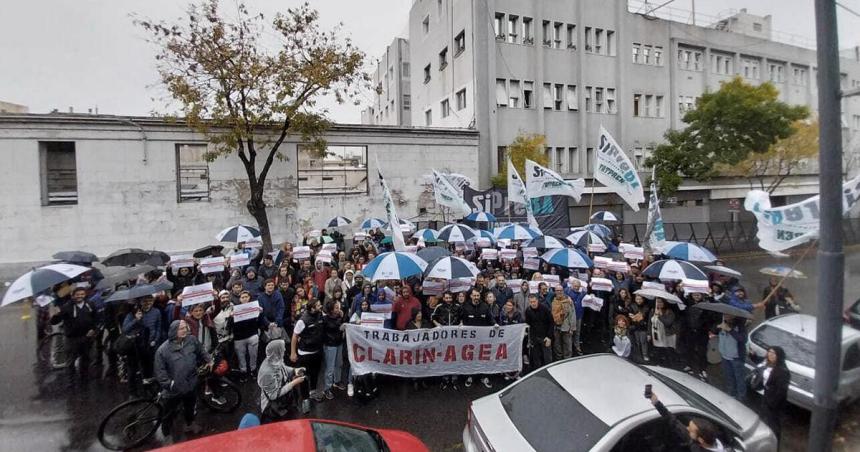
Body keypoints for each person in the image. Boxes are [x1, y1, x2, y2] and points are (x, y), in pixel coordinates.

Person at [154, 320, 212, 443]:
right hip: (174, 390)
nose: (184, 330)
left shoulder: (192, 340)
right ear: (173, 331)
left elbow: (201, 350)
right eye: (181, 328)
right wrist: (170, 384)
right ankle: (166, 433)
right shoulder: (162, 350)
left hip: (191, 384)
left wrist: (209, 359)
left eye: (185, 327)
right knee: (168, 413)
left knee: (190, 406)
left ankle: (190, 424)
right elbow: (160, 372)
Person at [49, 287, 100, 379]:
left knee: (86, 359)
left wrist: (94, 329)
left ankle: (84, 379)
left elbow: (96, 319)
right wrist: (55, 315)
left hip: (86, 338)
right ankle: (70, 382)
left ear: (85, 295)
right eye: (77, 294)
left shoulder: (90, 304)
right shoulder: (66, 307)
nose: (80, 296)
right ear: (73, 296)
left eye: (82, 294)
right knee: (70, 361)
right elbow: (54, 322)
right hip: (72, 339)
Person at [649, 391, 726, 451]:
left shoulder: (696, 448)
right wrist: (656, 402)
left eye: (691, 430)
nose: (687, 428)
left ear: (701, 440)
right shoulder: (712, 438)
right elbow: (674, 422)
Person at [257, 339, 305, 422]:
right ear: (277, 351)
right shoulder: (267, 373)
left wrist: (295, 370)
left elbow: (283, 368)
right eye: (283, 348)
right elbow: (274, 395)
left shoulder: (275, 359)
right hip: (274, 410)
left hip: (284, 402)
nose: (285, 349)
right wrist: (294, 383)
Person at [291, 299, 325, 402]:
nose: (321, 306)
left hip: (317, 351)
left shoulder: (320, 314)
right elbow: (295, 336)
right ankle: (305, 398)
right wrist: (293, 353)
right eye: (318, 305)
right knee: (304, 376)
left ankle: (313, 393)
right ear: (312, 308)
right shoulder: (302, 320)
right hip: (305, 354)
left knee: (315, 374)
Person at [461, 289, 494, 388]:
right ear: (471, 296)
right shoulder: (465, 307)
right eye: (474, 296)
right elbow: (462, 319)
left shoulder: (485, 306)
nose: (476, 298)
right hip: (470, 340)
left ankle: (484, 376)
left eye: (478, 296)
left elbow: (490, 318)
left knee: (483, 358)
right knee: (470, 358)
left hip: (483, 339)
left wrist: (495, 324)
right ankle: (470, 376)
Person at [759, 346, 790, 444]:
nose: (770, 355)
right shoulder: (768, 364)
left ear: (779, 356)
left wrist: (772, 403)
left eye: (773, 353)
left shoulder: (783, 371)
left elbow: (781, 391)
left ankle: (775, 444)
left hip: (774, 403)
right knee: (764, 421)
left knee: (774, 425)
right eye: (769, 352)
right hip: (766, 397)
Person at [714, 315, 748, 402]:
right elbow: (713, 331)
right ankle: (731, 395)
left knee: (739, 379)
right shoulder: (722, 323)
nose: (725, 317)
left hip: (736, 358)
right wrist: (718, 327)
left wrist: (730, 330)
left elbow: (743, 339)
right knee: (729, 377)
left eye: (728, 315)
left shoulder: (740, 326)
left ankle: (741, 398)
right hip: (725, 356)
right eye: (724, 315)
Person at [233, 291, 263, 380]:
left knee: (253, 355)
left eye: (246, 296)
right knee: (241, 356)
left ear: (249, 298)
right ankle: (244, 372)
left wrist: (260, 313)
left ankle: (253, 370)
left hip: (252, 335)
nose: (244, 298)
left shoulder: (254, 307)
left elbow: (259, 322)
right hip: (239, 337)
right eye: (242, 297)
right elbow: (231, 325)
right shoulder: (235, 309)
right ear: (240, 299)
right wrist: (232, 317)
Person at [322, 299, 346, 400]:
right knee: (330, 367)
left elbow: (344, 324)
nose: (338, 309)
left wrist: (343, 316)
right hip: (330, 345)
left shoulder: (339, 316)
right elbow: (334, 327)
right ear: (331, 309)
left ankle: (337, 381)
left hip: (339, 343)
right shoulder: (326, 319)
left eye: (339, 307)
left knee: (339, 364)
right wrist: (340, 323)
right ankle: (327, 388)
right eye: (336, 307)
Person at [525, 294, 553, 372]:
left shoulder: (545, 308)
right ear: (529, 302)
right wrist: (530, 339)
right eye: (531, 302)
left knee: (547, 358)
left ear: (537, 300)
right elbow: (528, 324)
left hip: (545, 336)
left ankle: (550, 371)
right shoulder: (528, 310)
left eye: (534, 301)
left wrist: (549, 337)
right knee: (536, 358)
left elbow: (551, 323)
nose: (533, 303)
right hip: (534, 337)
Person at [650, 298, 678, 369]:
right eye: (658, 302)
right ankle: (658, 363)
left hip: (667, 334)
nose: (659, 304)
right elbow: (649, 323)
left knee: (667, 351)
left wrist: (660, 316)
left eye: (661, 302)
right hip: (656, 334)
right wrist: (648, 333)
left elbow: (668, 323)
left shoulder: (669, 311)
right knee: (658, 350)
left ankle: (670, 365)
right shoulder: (653, 310)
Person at [551, 289, 575, 361]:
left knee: (567, 345)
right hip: (555, 326)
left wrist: (572, 328)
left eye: (561, 290)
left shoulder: (568, 301)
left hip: (566, 326)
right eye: (557, 290)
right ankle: (559, 360)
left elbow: (572, 314)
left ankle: (567, 360)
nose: (559, 292)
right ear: (555, 292)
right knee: (557, 345)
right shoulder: (552, 301)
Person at [563, 278, 586, 355]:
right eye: (575, 286)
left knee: (577, 332)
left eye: (578, 286)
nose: (576, 288)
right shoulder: (567, 291)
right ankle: (568, 349)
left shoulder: (582, 293)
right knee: (569, 332)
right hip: (569, 316)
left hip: (579, 315)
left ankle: (577, 346)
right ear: (572, 285)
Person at [629, 294, 651, 363]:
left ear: (643, 299)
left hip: (643, 327)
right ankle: (639, 355)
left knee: (643, 342)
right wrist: (633, 316)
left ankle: (645, 355)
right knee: (637, 342)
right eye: (637, 299)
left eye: (640, 299)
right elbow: (630, 315)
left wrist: (638, 317)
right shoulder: (632, 306)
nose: (638, 300)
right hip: (635, 327)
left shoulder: (646, 307)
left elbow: (645, 316)